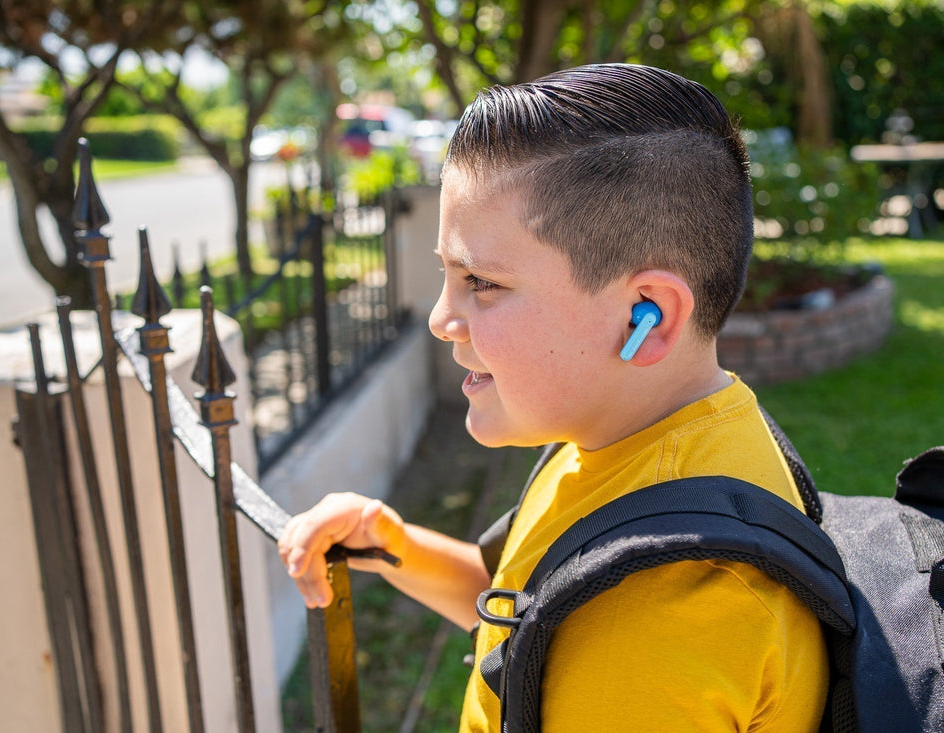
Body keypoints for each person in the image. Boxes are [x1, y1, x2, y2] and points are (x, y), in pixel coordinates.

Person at [278, 63, 827, 732]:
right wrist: (396, 543)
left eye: (481, 282)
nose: (441, 318)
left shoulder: (655, 629)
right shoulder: (635, 436)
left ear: (643, 315)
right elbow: (523, 606)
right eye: (448, 274)